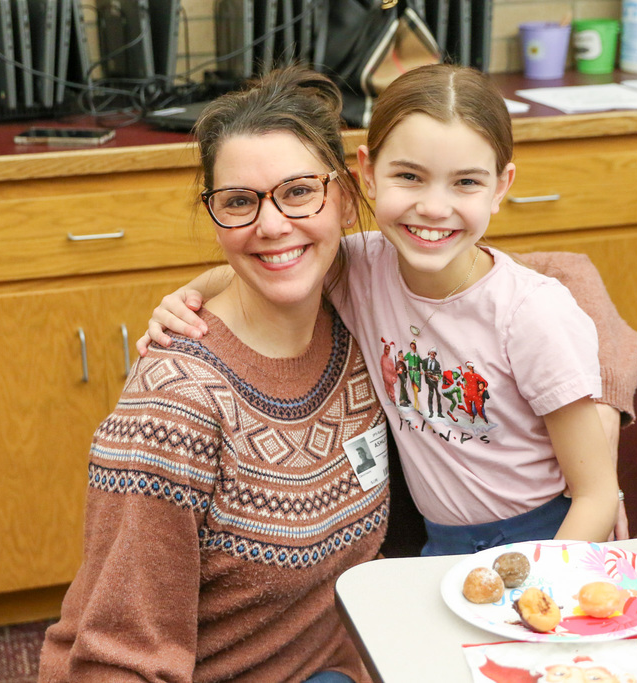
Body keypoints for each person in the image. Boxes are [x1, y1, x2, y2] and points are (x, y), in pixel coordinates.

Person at [138, 64, 637, 553]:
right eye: (409, 176)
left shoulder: (529, 313)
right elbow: (262, 265)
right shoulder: (359, 267)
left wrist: (544, 585)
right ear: (368, 174)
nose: (434, 207)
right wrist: (185, 298)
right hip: (441, 545)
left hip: (548, 537)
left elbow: (596, 496)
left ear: (501, 187)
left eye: (466, 182)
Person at [38, 68, 389, 683]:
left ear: (345, 195)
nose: (271, 224)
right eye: (239, 202)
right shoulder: (175, 409)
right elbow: (117, 661)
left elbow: (518, 284)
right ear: (215, 214)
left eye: (298, 191)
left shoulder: (365, 311)